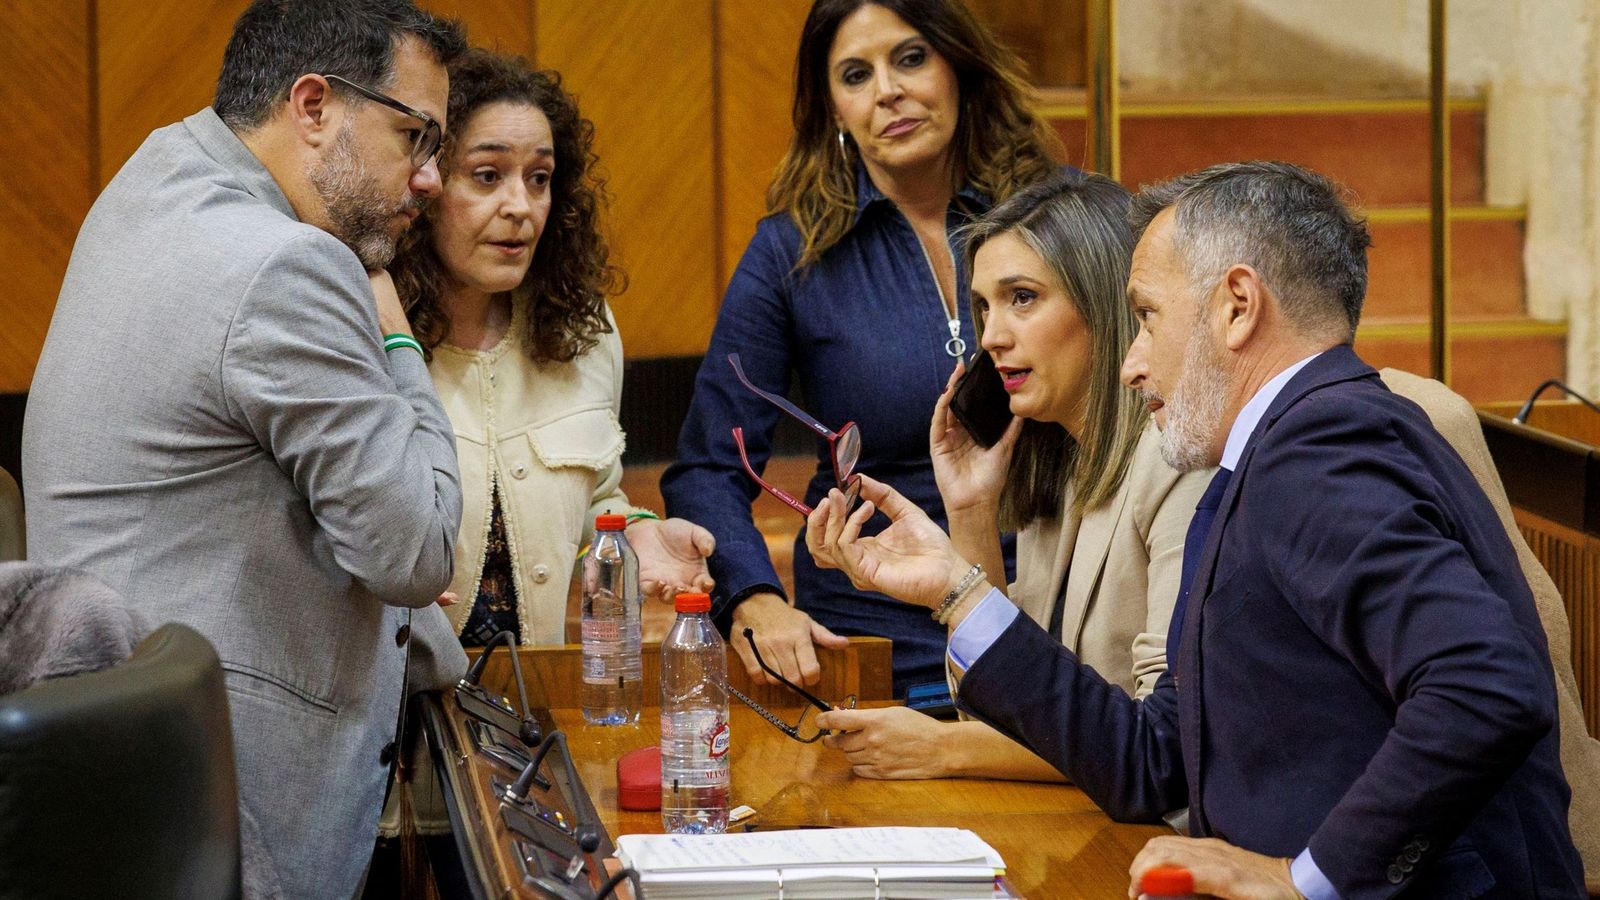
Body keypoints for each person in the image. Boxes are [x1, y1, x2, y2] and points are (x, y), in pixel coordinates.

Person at [810, 161, 1584, 898]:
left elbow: (1485, 684)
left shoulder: (1320, 448)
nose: (1129, 362)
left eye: (1145, 316)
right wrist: (956, 590)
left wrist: (1308, 879)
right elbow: (1152, 763)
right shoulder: (1260, 461)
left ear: (1237, 305)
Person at [21, 2, 467, 896]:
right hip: (227, 792)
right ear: (312, 106)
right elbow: (416, 551)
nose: (429, 180)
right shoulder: (286, 265)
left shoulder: (155, 177)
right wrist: (400, 341)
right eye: (415, 136)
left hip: (111, 764)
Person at [661, 0, 1061, 698]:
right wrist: (753, 598)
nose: (887, 91)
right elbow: (707, 468)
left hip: (1049, 625)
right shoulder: (792, 251)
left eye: (910, 58)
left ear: (957, 65)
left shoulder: (1057, 218)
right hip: (873, 644)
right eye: (855, 75)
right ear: (833, 108)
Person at [815, 169, 1208, 781]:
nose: (991, 337)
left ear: (1104, 303)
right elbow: (1015, 707)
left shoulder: (1178, 465)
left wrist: (943, 750)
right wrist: (970, 511)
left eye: (1022, 297)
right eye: (982, 307)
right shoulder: (1057, 461)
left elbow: (1156, 748)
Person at [388, 49, 714, 648]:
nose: (520, 206)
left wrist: (635, 531)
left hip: (530, 700)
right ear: (426, 185)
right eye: (487, 176)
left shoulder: (581, 331)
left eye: (538, 179)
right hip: (392, 703)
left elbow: (593, 492)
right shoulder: (364, 331)